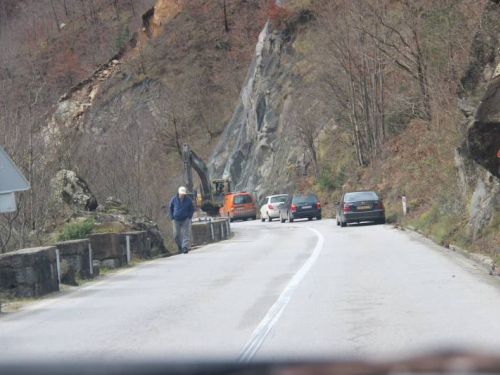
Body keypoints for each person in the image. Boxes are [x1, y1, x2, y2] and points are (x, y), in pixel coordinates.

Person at [168, 186, 194, 254]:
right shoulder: (174, 199)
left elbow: (191, 208)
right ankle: (180, 246)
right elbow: (170, 208)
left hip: (185, 219)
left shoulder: (188, 200)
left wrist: (189, 217)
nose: (182, 195)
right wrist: (172, 217)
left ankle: (184, 247)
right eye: (181, 194)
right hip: (176, 220)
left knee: (186, 234)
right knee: (176, 235)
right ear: (178, 193)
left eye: (183, 194)